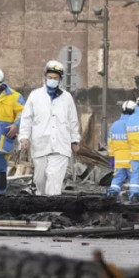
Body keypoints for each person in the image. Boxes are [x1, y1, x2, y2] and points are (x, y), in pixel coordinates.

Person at [20, 60, 81, 196]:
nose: (52, 80)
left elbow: (73, 121)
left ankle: (53, 208)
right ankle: (42, 202)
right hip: (40, 144)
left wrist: (74, 141)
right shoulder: (35, 96)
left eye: (56, 78)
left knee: (54, 176)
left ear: (60, 80)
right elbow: (27, 118)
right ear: (45, 77)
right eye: (50, 77)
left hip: (61, 145)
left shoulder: (67, 98)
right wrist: (24, 136)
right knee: (40, 178)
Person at [106, 100, 137, 198]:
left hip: (119, 159)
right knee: (134, 179)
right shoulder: (135, 125)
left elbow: (110, 143)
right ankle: (134, 197)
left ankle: (112, 192)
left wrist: (112, 158)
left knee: (118, 178)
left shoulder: (115, 125)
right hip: (132, 160)